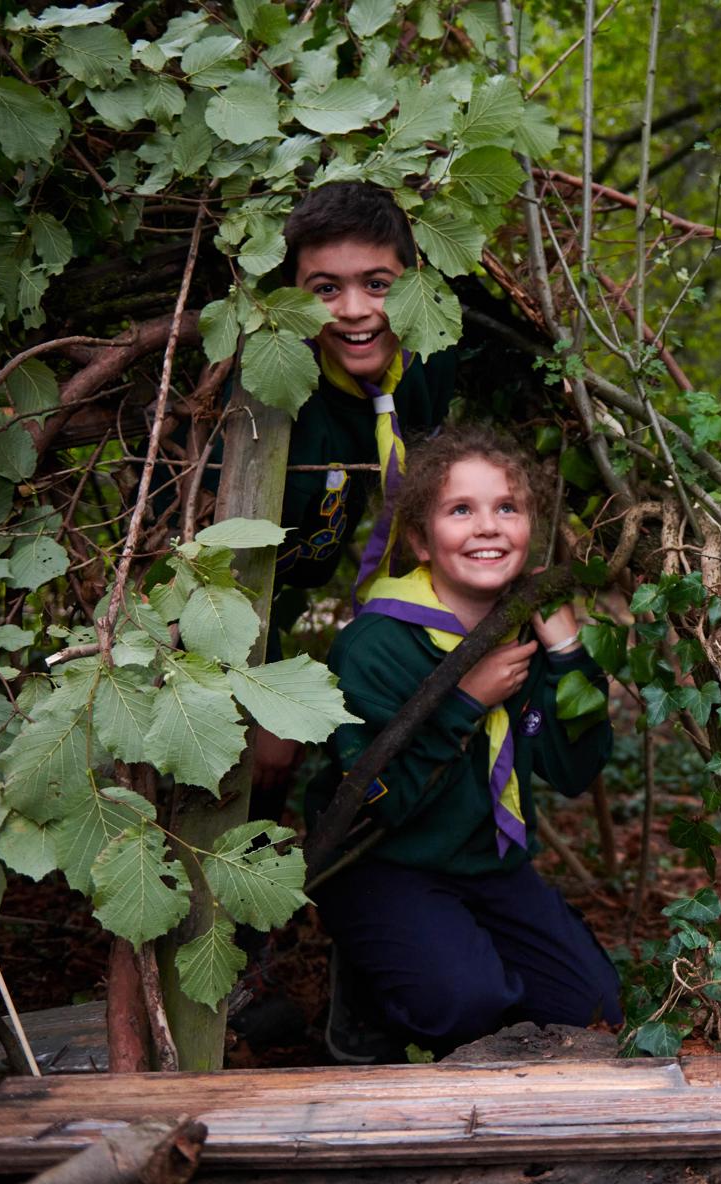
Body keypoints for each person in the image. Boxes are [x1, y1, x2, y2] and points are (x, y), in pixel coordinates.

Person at [307, 425, 621, 1063]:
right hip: (383, 862)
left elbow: (572, 769)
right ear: (420, 540)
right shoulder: (375, 646)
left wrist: (565, 653)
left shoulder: (525, 626)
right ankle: (368, 992)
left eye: (507, 508)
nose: (488, 527)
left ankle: (455, 954)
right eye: (461, 510)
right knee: (465, 1006)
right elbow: (383, 802)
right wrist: (466, 702)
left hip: (486, 864)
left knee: (592, 1011)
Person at [247, 182, 461, 799]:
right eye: (325, 289)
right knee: (260, 767)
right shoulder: (273, 397)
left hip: (344, 598)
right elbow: (215, 566)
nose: (353, 310)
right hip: (249, 608)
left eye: (377, 284)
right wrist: (269, 696)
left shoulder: (430, 355)